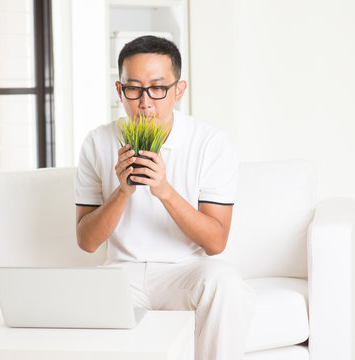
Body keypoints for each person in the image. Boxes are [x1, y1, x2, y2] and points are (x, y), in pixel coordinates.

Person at [75, 35, 255, 360]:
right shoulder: (97, 142)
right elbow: (87, 242)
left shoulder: (210, 142)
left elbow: (216, 242)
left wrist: (164, 191)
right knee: (86, 299)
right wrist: (123, 191)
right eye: (133, 89)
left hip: (184, 271)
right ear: (120, 91)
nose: (145, 103)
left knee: (224, 282)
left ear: (179, 91)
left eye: (158, 88)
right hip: (122, 272)